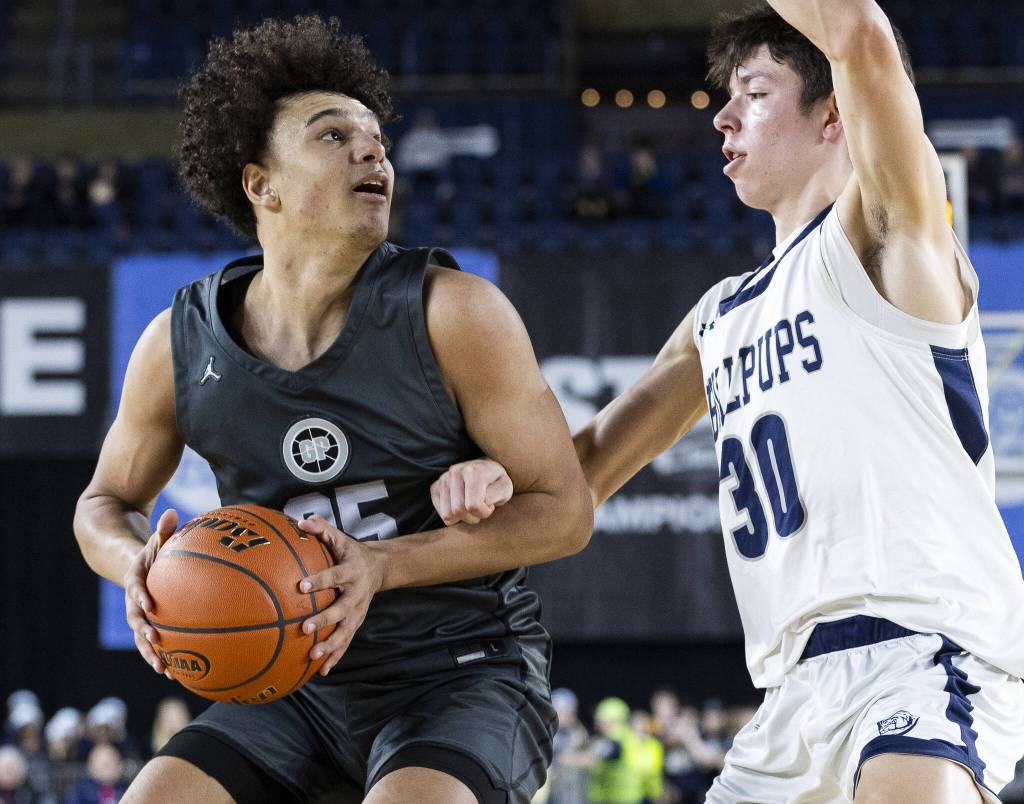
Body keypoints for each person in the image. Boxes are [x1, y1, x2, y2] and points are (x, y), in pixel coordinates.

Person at [432, 2, 1024, 802]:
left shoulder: (886, 237)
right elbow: (584, 473)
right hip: (789, 695)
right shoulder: (721, 314)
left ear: (834, 115)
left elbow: (863, 39)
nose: (722, 117)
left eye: (755, 92)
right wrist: (493, 484)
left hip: (925, 650)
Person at [72, 15, 592, 804]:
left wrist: (381, 565)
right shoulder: (176, 344)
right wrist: (134, 563)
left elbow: (565, 513)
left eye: (377, 138)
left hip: (459, 673)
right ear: (260, 184)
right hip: (292, 685)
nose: (371, 149)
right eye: (331, 135)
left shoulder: (455, 312)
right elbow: (102, 506)